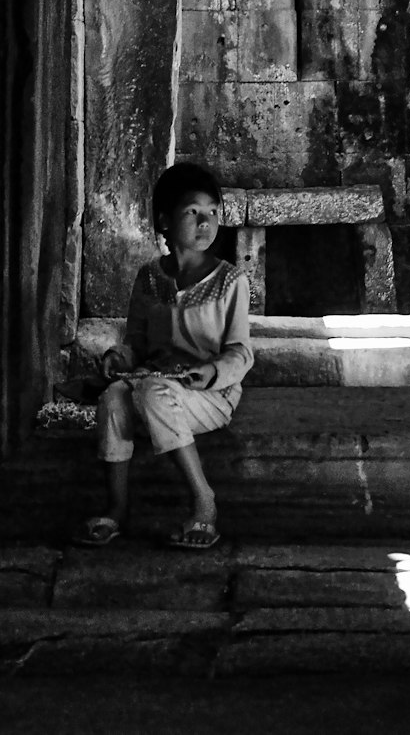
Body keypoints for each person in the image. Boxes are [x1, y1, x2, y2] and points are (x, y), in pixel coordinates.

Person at [73, 161, 253, 551]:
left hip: (209, 395)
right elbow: (135, 340)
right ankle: (117, 508)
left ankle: (204, 502)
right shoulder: (149, 278)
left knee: (153, 392)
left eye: (213, 212)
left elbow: (240, 351)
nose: (205, 222)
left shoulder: (231, 281)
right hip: (151, 385)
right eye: (192, 212)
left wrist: (212, 371)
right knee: (112, 398)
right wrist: (118, 358)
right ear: (165, 220)